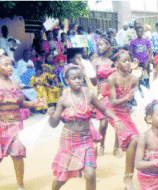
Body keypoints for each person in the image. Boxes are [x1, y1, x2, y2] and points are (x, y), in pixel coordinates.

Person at [46, 64, 124, 190]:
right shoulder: (63, 100)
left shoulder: (89, 95)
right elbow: (54, 124)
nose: (78, 80)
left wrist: (115, 118)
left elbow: (103, 109)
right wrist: (51, 117)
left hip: (86, 139)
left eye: (80, 77)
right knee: (63, 177)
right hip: (69, 141)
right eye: (74, 78)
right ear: (66, 81)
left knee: (91, 174)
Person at [0, 55, 46, 190]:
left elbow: (20, 103)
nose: (10, 68)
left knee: (18, 153)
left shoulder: (15, 83)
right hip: (1, 124)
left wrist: (33, 103)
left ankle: (20, 185)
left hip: (16, 124)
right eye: (6, 65)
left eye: (11, 65)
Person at [107, 48, 139, 189]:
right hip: (113, 113)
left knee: (137, 141)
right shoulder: (112, 78)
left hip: (126, 113)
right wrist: (127, 97)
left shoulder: (135, 78)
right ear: (116, 64)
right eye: (124, 61)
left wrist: (134, 95)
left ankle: (129, 176)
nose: (127, 63)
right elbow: (113, 102)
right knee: (133, 139)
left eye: (129, 60)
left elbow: (135, 95)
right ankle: (128, 177)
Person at [91, 37, 121, 157]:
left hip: (114, 92)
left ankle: (116, 148)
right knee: (103, 124)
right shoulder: (95, 62)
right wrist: (89, 72)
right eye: (98, 45)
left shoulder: (114, 61)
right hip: (102, 94)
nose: (100, 47)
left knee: (117, 121)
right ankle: (102, 145)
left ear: (108, 46)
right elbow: (94, 82)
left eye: (102, 45)